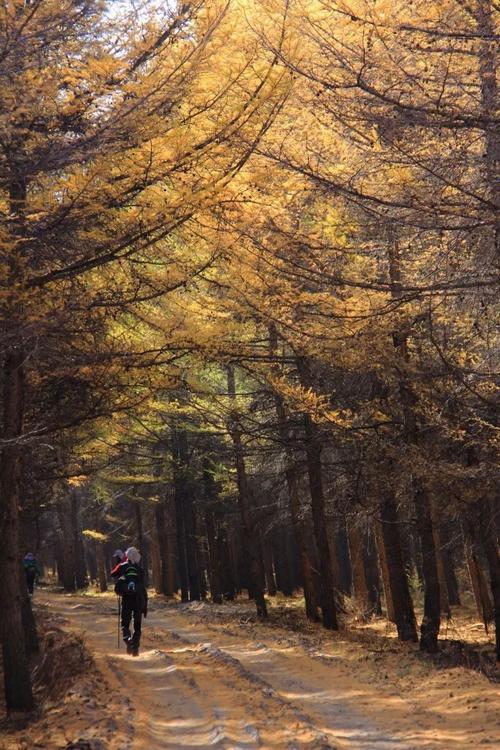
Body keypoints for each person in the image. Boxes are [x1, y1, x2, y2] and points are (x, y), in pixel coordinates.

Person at [111, 546, 147, 656]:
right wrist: (145, 605)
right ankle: (135, 649)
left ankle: (128, 640)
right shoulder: (140, 570)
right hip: (138, 599)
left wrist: (121, 575)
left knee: (125, 624)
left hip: (126, 599)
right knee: (137, 625)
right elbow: (142, 586)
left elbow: (112, 573)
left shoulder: (122, 566)